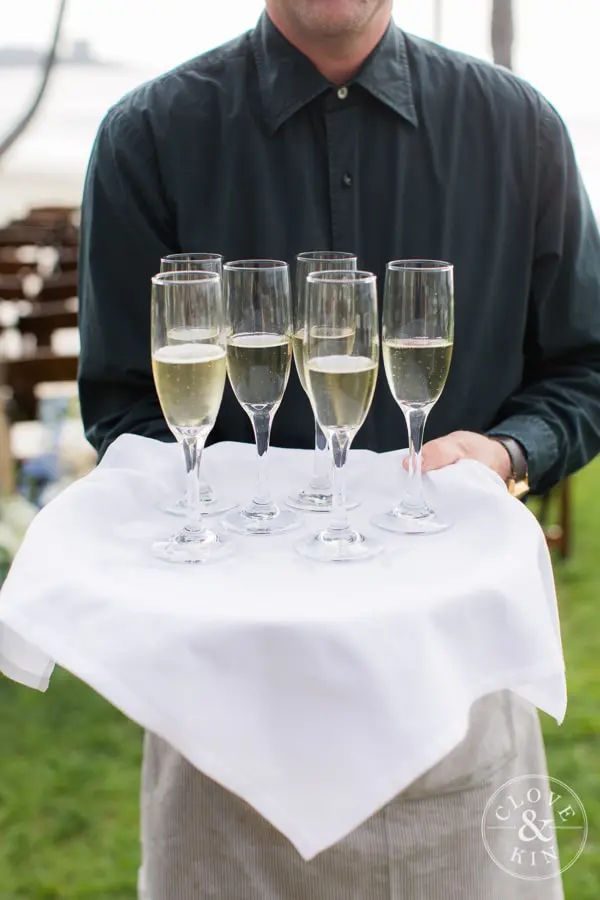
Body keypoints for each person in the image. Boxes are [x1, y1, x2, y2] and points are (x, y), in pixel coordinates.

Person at [78, 1, 600, 897]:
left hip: (455, 693)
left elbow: (585, 365)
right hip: (227, 714)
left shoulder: (521, 129)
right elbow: (125, 405)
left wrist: (511, 452)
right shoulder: (148, 136)